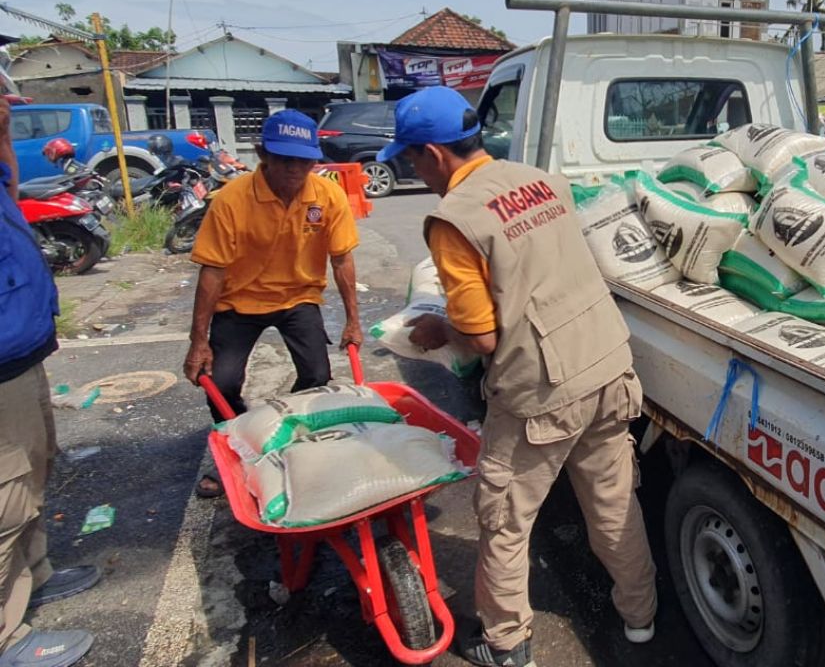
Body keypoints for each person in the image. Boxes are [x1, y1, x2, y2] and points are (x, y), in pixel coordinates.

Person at [379, 87, 657, 667]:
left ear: (432, 153)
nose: (412, 170)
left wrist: (438, 332)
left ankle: (506, 644)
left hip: (541, 390)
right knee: (613, 505)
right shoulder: (541, 180)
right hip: (607, 365)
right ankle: (641, 616)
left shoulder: (453, 219)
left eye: (409, 159)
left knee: (504, 521)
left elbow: (481, 337)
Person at [183, 110, 362, 497]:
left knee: (317, 374)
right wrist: (198, 340)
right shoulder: (232, 199)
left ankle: (287, 437)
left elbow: (342, 259)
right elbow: (211, 272)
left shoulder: (327, 196)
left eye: (303, 159)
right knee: (221, 381)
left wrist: (353, 320)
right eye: (283, 159)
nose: (294, 168)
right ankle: (238, 446)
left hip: (298, 298)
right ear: (263, 154)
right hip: (238, 302)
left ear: (315, 159)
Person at [0, 97, 98, 667]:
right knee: (5, 495)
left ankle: (34, 576)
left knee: (36, 467)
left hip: (21, 351)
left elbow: (9, 181)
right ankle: (6, 635)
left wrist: (4, 129)